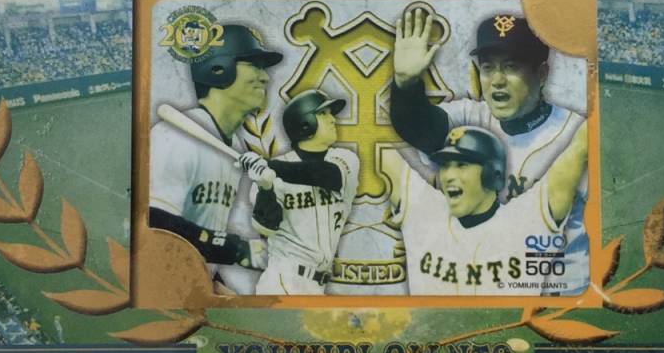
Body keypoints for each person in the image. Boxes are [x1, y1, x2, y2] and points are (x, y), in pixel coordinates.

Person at [389, 8, 590, 291]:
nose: (496, 80)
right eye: (487, 67)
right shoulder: (469, 117)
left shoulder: (576, 132)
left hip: (558, 295)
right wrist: (406, 85)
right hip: (488, 289)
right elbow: (419, 126)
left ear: (542, 73)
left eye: (511, 67)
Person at [148, 23, 281, 294]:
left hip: (190, 291)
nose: (265, 77)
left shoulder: (234, 146)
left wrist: (216, 284)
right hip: (159, 293)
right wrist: (236, 249)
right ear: (218, 69)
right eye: (254, 65)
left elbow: (200, 232)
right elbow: (153, 220)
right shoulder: (174, 135)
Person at [381, 123, 588, 296]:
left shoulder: (527, 219)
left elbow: (580, 146)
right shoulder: (424, 210)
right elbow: (374, 143)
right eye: (445, 165)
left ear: (492, 175)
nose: (448, 176)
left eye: (462, 165)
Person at [239, 89, 359, 295]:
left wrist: (269, 165)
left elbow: (325, 175)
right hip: (283, 280)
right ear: (305, 124)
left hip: (318, 284)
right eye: (323, 113)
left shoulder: (345, 159)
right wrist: (266, 188)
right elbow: (266, 228)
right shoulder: (268, 175)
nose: (333, 119)